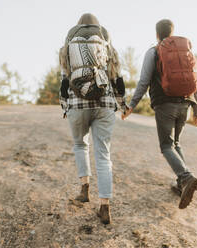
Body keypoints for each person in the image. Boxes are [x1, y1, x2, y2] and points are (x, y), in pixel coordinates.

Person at [122, 19, 197, 209]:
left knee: (166, 146)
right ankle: (181, 183)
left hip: (165, 104)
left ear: (157, 34)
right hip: (185, 102)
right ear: (173, 32)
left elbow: (144, 81)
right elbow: (195, 81)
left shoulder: (154, 50)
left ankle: (185, 177)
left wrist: (131, 105)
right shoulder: (186, 51)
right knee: (175, 143)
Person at [59, 13, 127, 224]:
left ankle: (84, 189)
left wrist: (65, 105)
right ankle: (105, 206)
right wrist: (122, 103)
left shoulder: (69, 44)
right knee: (103, 154)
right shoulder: (106, 42)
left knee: (80, 145)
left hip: (77, 103)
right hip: (104, 103)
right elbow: (117, 76)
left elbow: (64, 79)